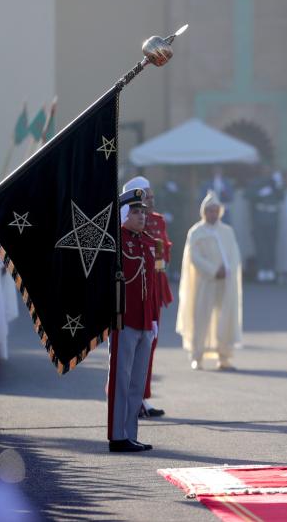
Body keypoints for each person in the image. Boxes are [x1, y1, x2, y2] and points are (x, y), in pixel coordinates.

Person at [107, 188, 158, 453]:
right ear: (125, 214)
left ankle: (130, 434)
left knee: (137, 380)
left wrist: (154, 318)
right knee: (121, 378)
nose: (141, 217)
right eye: (135, 212)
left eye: (143, 212)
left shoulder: (148, 242)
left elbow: (153, 284)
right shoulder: (115, 241)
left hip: (145, 321)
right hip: (124, 319)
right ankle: (117, 436)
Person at [176, 191, 242, 371]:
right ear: (203, 212)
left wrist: (227, 270)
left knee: (225, 317)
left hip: (225, 282)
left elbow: (234, 255)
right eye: (209, 210)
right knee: (201, 317)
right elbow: (194, 258)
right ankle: (197, 356)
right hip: (205, 282)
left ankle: (224, 356)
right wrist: (213, 270)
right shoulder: (196, 232)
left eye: (215, 210)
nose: (212, 214)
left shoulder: (227, 231)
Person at [123, 176, 172, 419]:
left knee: (150, 344)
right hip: (137, 287)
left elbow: (165, 253)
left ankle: (142, 395)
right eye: (146, 197)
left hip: (155, 285)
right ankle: (130, 397)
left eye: (152, 197)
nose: (150, 203)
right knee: (132, 345)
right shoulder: (127, 227)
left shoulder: (158, 221)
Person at [246, 163, 284, 282]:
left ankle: (270, 270)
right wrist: (260, 194)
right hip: (260, 216)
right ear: (261, 170)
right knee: (260, 244)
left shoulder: (274, 183)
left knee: (271, 244)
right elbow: (248, 195)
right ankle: (262, 269)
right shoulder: (256, 182)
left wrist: (278, 184)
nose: (267, 172)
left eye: (269, 170)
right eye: (265, 169)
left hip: (272, 216)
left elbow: (281, 196)